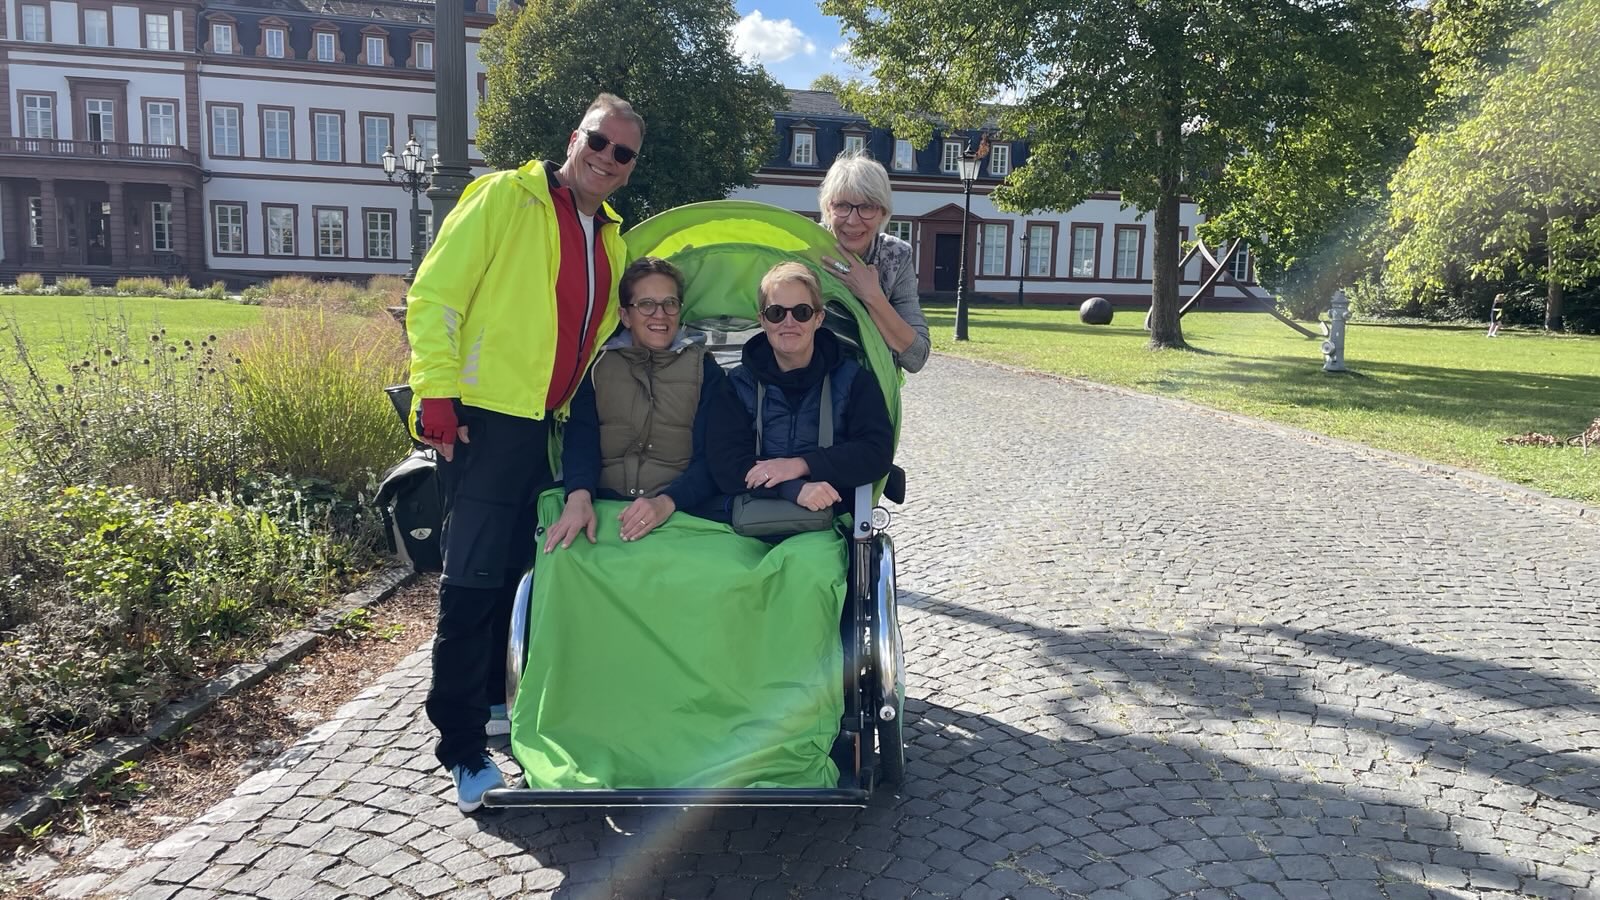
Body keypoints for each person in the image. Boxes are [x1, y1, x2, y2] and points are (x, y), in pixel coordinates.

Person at [405, 93, 643, 813]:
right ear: (575, 138)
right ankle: (460, 746)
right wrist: (437, 393)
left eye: (622, 153)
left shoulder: (611, 239)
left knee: (521, 573)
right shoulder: (505, 198)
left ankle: (499, 705)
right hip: (485, 419)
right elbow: (435, 295)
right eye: (598, 141)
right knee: (472, 579)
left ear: (630, 167)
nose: (606, 158)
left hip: (546, 425)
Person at [544, 257, 725, 552]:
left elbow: (714, 457)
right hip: (601, 505)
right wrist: (578, 496)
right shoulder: (597, 368)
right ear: (625, 316)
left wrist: (666, 502)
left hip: (680, 510)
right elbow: (580, 440)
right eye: (646, 305)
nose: (660, 314)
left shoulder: (706, 371)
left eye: (670, 304)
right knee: (559, 554)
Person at [707, 262, 894, 514]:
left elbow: (875, 452)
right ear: (762, 320)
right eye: (776, 313)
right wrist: (792, 488)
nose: (789, 322)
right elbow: (725, 462)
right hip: (753, 516)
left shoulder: (854, 381)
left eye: (802, 312)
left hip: (831, 519)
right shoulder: (738, 384)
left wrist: (801, 465)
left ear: (819, 319)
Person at [816, 152, 931, 373]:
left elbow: (916, 357)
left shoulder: (896, 256)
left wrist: (872, 295)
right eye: (842, 206)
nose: (852, 220)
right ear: (828, 208)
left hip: (873, 386)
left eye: (867, 207)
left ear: (883, 213)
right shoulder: (806, 249)